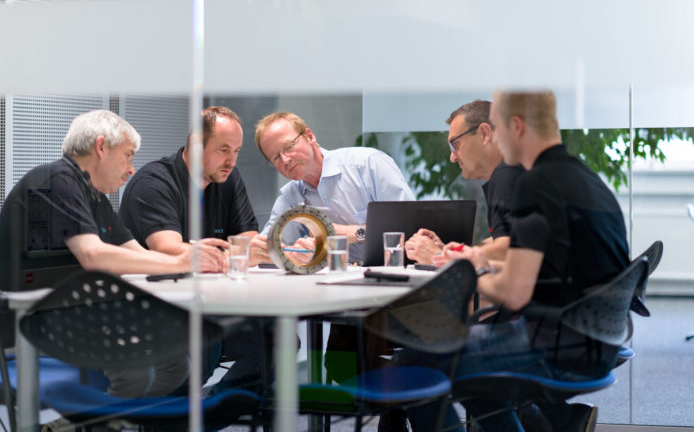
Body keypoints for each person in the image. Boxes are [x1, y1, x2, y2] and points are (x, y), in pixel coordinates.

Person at [406, 91, 630, 432]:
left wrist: (467, 270)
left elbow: (512, 293)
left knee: (416, 362)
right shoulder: (580, 176)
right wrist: (475, 255)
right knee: (474, 379)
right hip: (600, 339)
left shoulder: (532, 183)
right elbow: (524, 245)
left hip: (559, 346)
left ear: (515, 127)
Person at [0, 110, 224, 399]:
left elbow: (135, 255)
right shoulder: (56, 180)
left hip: (71, 317)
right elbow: (94, 256)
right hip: (30, 323)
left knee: (175, 362)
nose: (132, 169)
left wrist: (190, 259)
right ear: (101, 147)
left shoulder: (94, 197)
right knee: (139, 369)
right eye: (127, 155)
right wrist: (179, 261)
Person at [119, 105, 268, 393]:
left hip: (210, 305)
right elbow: (171, 251)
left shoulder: (227, 178)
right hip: (155, 310)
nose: (232, 161)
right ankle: (170, 419)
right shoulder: (154, 183)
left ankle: (207, 413)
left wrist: (238, 252)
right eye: (224, 150)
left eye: (236, 151)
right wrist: (232, 253)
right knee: (204, 344)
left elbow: (250, 242)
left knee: (275, 340)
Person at [252, 111, 415, 264]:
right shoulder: (291, 196)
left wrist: (355, 233)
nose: (285, 160)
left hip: (391, 273)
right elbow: (269, 248)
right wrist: (294, 254)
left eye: (288, 147)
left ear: (310, 136)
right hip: (334, 279)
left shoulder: (367, 165)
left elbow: (409, 226)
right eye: (275, 157)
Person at [405, 99, 524, 268]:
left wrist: (439, 257)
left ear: (484, 133)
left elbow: (511, 249)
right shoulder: (510, 172)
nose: (452, 157)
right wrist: (451, 252)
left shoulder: (509, 174)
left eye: (455, 144)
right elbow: (501, 239)